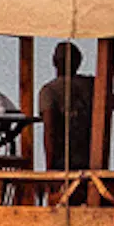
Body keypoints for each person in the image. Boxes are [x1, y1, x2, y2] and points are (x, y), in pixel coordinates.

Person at [37, 44, 98, 173]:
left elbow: (49, 131)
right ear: (79, 62)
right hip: (91, 164)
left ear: (54, 61)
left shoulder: (49, 91)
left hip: (61, 165)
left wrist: (49, 170)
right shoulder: (92, 85)